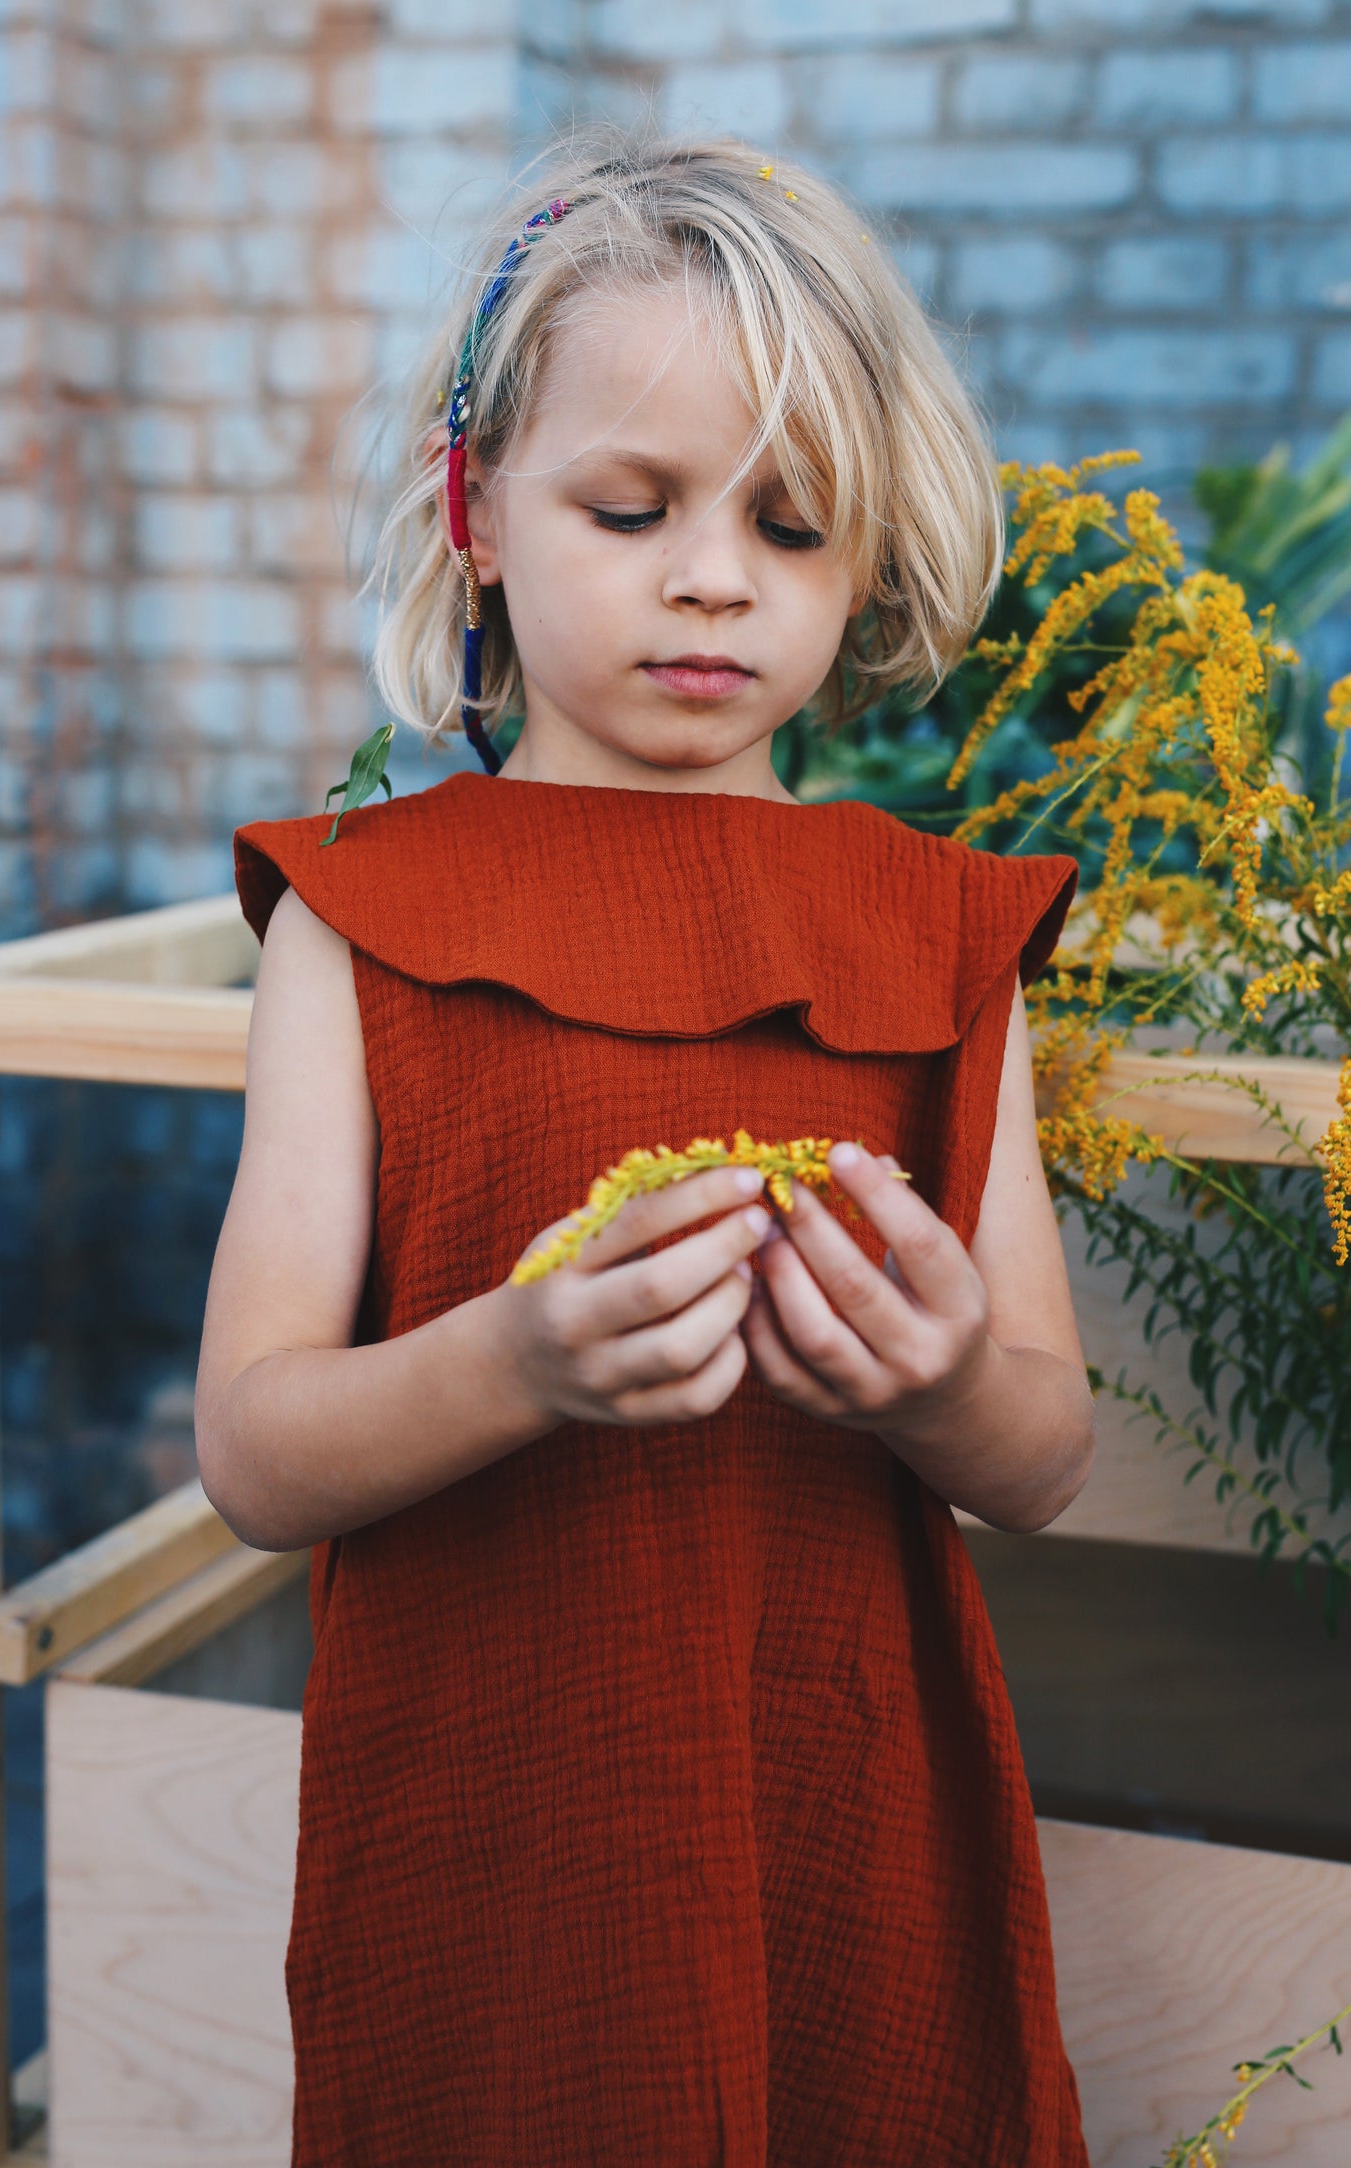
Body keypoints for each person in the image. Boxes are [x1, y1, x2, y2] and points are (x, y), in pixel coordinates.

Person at [195, 131, 1096, 2165]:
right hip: (492, 1834)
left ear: (863, 566)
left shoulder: (939, 933)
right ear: (478, 509)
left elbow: (1044, 1452)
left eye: (790, 526)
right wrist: (511, 1362)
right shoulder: (362, 915)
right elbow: (252, 1446)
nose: (714, 574)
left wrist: (946, 1382)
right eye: (634, 504)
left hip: (847, 1816)